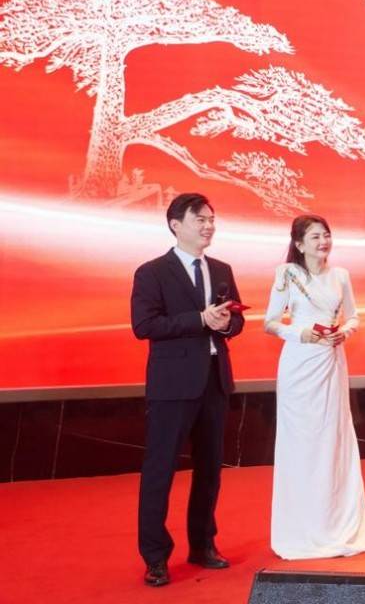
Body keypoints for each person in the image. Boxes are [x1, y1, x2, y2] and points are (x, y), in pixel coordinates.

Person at [130, 192, 245, 587]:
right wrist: (199, 319)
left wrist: (226, 324)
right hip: (172, 385)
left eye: (211, 219)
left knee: (210, 469)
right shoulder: (152, 272)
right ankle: (155, 557)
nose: (208, 226)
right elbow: (145, 325)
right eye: (200, 219)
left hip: (214, 380)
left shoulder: (222, 269)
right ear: (176, 225)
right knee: (160, 471)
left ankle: (203, 544)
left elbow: (235, 320)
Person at [264, 214, 365, 559]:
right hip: (299, 363)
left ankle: (336, 523)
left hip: (331, 360)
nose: (323, 242)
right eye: (315, 237)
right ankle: (300, 527)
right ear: (299, 244)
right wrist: (300, 333)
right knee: (302, 441)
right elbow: (270, 322)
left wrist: (345, 331)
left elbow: (354, 315)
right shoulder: (287, 273)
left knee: (332, 438)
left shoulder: (340, 275)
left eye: (326, 235)